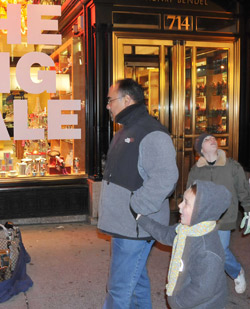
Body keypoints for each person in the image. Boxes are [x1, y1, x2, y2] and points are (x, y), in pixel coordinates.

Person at [98, 78, 179, 308]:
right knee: (136, 281)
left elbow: (166, 178)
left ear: (127, 99)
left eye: (110, 100)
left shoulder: (150, 132)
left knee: (119, 289)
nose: (107, 105)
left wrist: (136, 208)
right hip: (125, 225)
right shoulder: (129, 130)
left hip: (134, 227)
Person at [137, 180, 231, 309]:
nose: (180, 205)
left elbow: (202, 290)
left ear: (202, 211)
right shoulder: (185, 231)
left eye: (186, 202)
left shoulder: (207, 251)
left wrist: (178, 302)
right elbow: (165, 234)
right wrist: (142, 220)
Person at [187, 133, 250, 293]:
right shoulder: (196, 171)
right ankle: (210, 280)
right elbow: (189, 194)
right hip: (203, 217)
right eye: (207, 140)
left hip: (225, 217)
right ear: (200, 148)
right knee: (206, 250)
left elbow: (243, 190)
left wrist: (248, 210)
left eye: (213, 138)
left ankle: (236, 271)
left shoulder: (232, 166)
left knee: (221, 249)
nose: (213, 140)